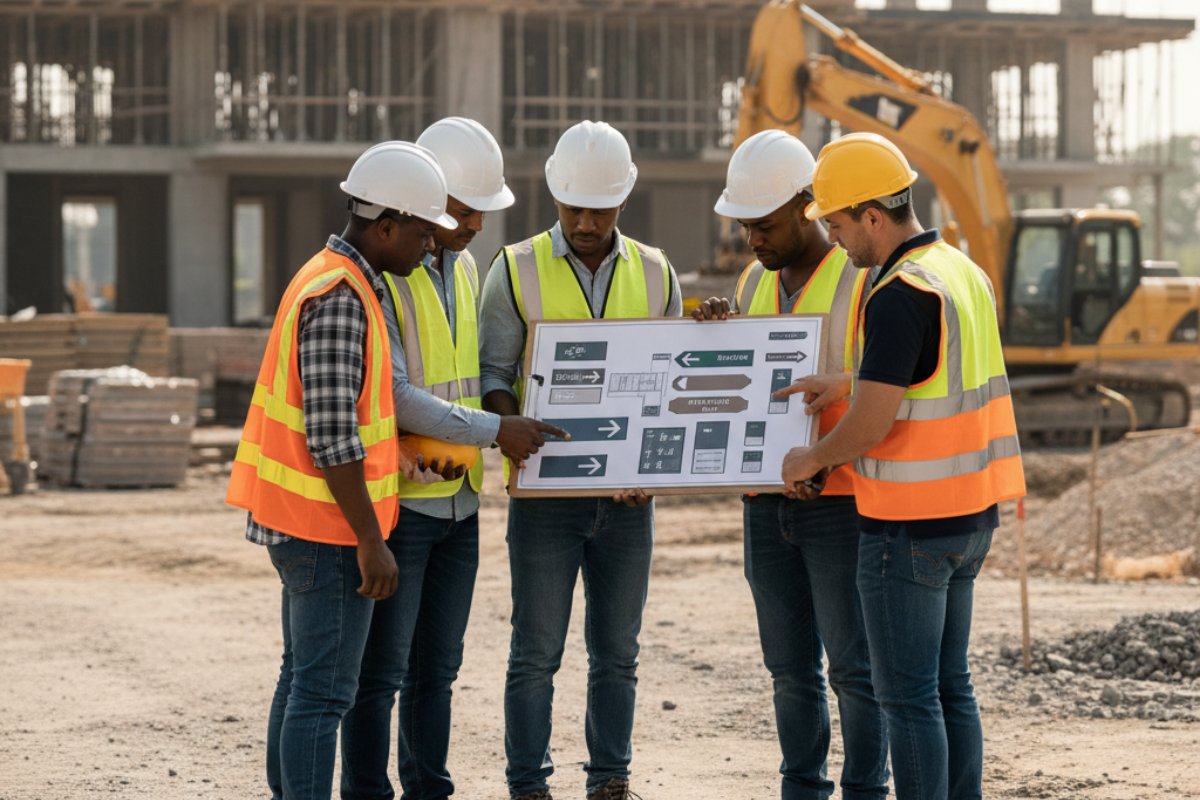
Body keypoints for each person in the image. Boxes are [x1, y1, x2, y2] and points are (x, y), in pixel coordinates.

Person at [776, 132, 1026, 800]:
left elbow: (876, 423)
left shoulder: (894, 292)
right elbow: (926, 377)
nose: (834, 240)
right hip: (970, 517)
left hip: (908, 527)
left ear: (872, 216)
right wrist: (847, 382)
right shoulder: (959, 271)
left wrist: (812, 457)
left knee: (907, 699)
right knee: (950, 688)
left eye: (836, 223)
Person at [339, 121, 568, 800]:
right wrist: (498, 429)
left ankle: (428, 789)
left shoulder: (466, 269)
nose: (471, 224)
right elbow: (398, 394)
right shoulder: (388, 274)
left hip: (459, 503)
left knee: (438, 669)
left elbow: (476, 370)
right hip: (404, 504)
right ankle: (365, 791)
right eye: (461, 210)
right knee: (381, 673)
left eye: (480, 212)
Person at [226, 141, 456, 800]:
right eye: (420, 233)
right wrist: (370, 540)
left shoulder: (329, 276)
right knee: (324, 696)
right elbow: (332, 438)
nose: (428, 248)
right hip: (327, 534)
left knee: (302, 678)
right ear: (385, 224)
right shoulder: (342, 297)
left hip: (308, 525)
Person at [479, 120, 683, 800]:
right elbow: (492, 374)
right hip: (546, 500)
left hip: (628, 505)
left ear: (623, 198)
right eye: (575, 208)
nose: (587, 221)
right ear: (555, 197)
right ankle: (527, 783)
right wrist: (512, 422)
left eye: (600, 208)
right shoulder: (513, 268)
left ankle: (610, 779)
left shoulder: (657, 272)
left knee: (617, 655)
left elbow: (672, 384)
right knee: (535, 653)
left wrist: (651, 472)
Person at [694, 130, 887, 800]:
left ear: (809, 206)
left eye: (766, 224)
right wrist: (717, 331)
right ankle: (801, 788)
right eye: (746, 226)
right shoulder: (753, 281)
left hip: (840, 505)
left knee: (854, 669)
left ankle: (866, 788)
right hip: (764, 501)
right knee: (787, 669)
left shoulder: (862, 279)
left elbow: (886, 387)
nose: (754, 239)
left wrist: (840, 391)